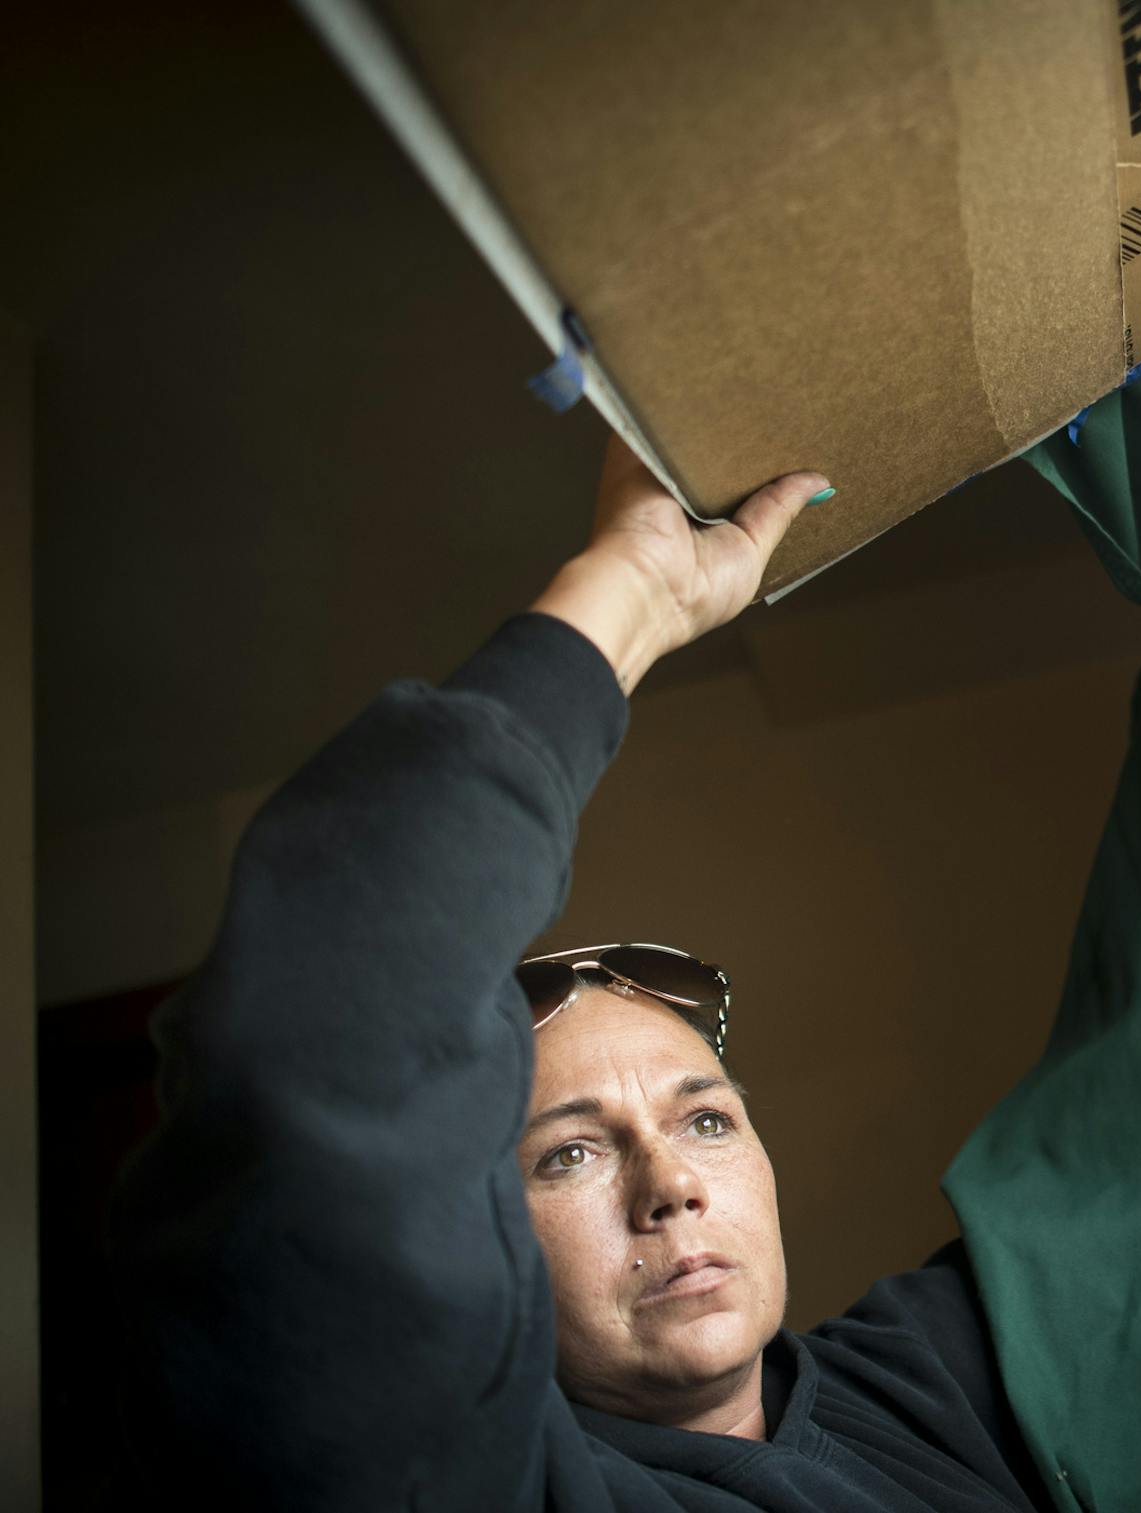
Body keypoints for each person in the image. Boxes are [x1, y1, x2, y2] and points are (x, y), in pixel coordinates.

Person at [112, 439, 1053, 1511]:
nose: (673, 1187)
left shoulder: (940, 1365)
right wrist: (636, 593)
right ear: (482, 1248)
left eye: (707, 1120)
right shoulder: (500, 1484)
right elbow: (320, 1022)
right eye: (566, 1153)